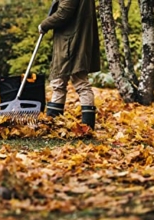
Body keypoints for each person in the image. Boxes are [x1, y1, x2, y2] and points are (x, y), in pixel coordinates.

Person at [38, 0, 100, 129]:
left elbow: (63, 13)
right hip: (74, 38)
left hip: (71, 41)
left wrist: (44, 25)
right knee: (62, 81)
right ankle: (56, 124)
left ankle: (82, 127)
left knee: (75, 82)